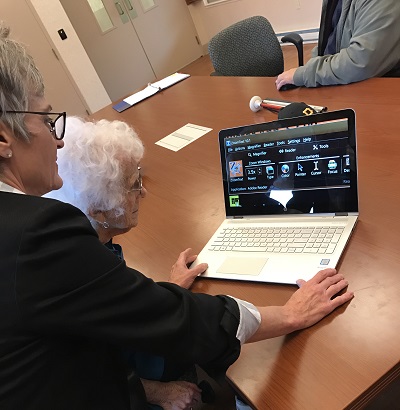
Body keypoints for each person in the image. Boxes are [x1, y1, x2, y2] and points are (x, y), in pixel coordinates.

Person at [0, 23, 354, 409]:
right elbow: (178, 322)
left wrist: (153, 298)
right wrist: (287, 316)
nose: (59, 138)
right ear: (5, 137)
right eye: (47, 120)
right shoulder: (37, 234)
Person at [46, 115, 204, 409]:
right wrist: (157, 392)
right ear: (100, 212)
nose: (143, 192)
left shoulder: (94, 242)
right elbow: (85, 368)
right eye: (134, 185)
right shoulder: (85, 277)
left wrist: (167, 291)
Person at [276, 0, 400, 90]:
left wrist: (304, 74)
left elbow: (360, 62)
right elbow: (329, 44)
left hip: (376, 95)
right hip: (346, 84)